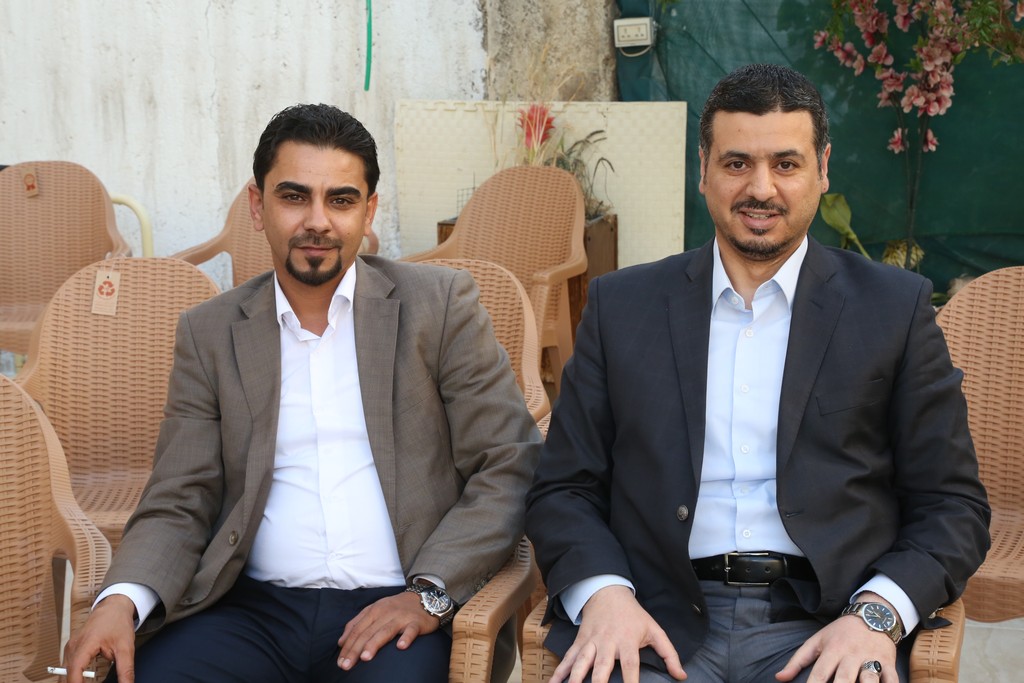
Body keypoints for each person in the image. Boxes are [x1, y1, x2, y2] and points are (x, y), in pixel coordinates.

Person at [525, 63, 990, 683]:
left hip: (828, 623)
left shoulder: (893, 310)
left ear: (823, 169)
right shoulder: (623, 307)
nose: (761, 189)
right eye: (737, 163)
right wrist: (604, 595)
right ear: (704, 171)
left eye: (786, 164)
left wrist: (877, 615)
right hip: (650, 620)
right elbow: (564, 487)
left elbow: (953, 505)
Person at [63, 103, 541, 683]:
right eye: (294, 197)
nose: (317, 221)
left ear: (369, 212)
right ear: (257, 206)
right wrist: (121, 599)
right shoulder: (211, 332)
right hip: (249, 610)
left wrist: (430, 595)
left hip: (397, 604)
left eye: (340, 200)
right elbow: (179, 497)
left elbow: (508, 461)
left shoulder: (437, 308)